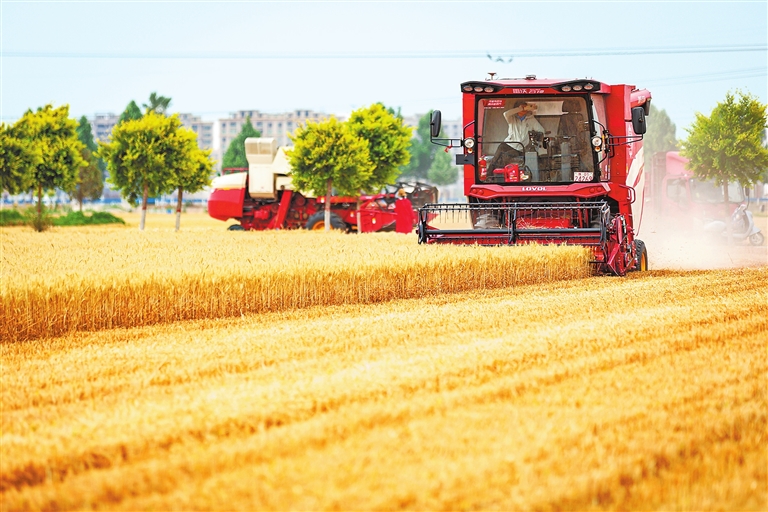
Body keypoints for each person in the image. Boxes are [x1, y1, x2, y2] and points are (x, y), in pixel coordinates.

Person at [488, 100, 546, 173]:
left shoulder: (531, 119)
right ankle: (489, 175)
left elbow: (541, 130)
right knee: (499, 151)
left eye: (524, 108)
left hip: (522, 148)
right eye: (521, 108)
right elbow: (505, 114)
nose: (523, 110)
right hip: (510, 144)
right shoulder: (511, 118)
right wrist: (520, 108)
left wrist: (537, 136)